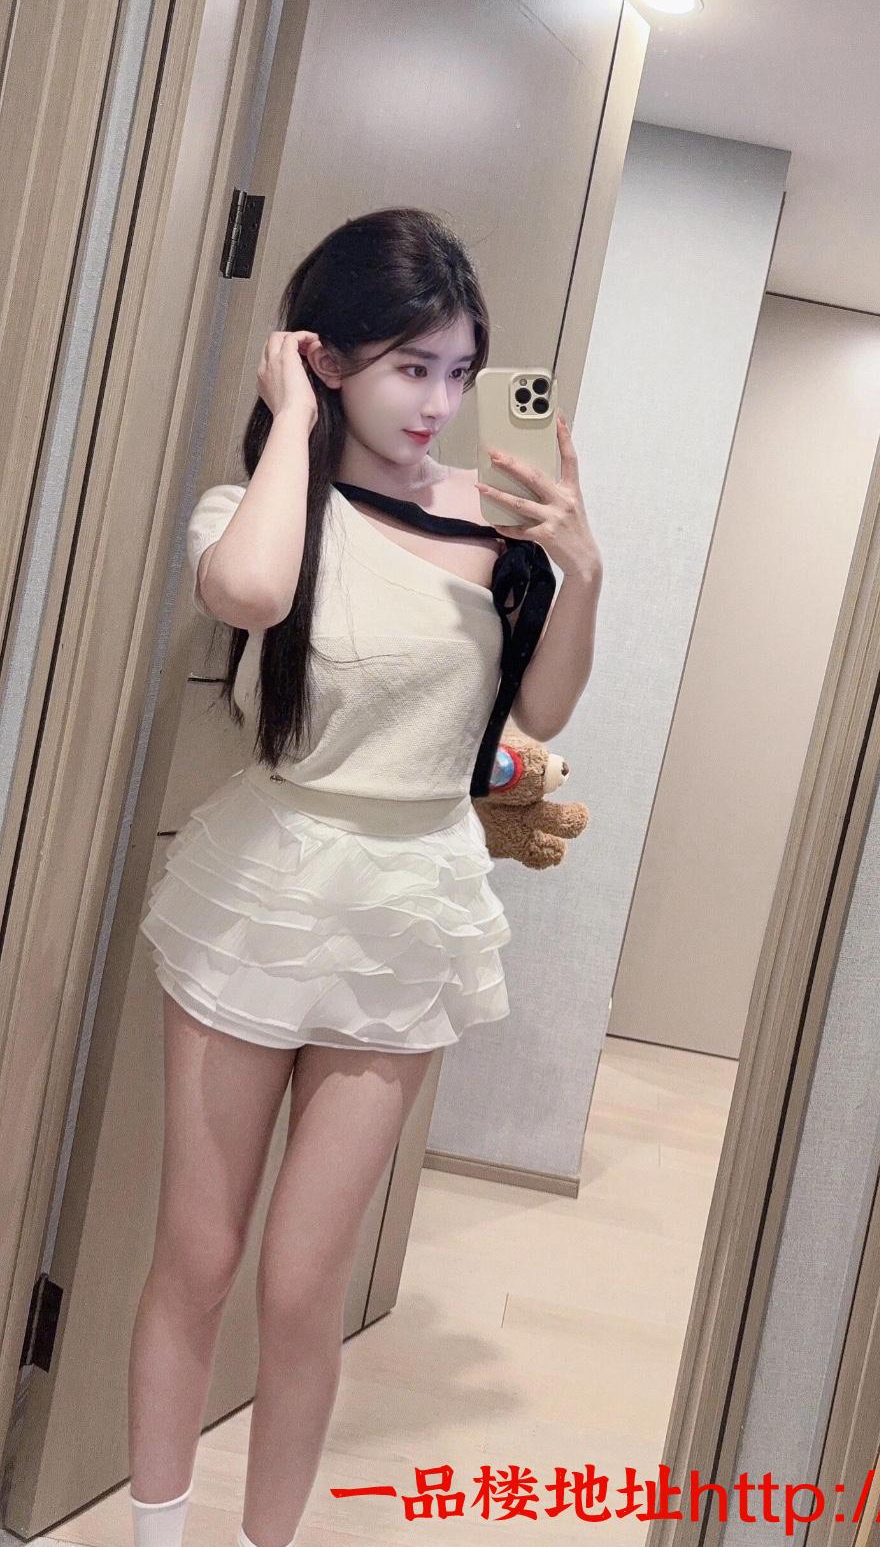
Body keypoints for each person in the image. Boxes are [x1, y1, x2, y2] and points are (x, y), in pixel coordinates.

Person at [128, 206, 603, 1547]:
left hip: (409, 900)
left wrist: (581, 568)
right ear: (329, 357)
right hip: (267, 887)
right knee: (198, 1256)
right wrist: (292, 417)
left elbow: (542, 714)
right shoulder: (254, 506)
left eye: (461, 372)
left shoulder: (493, 522)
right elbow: (250, 596)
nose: (439, 404)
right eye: (410, 368)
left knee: (301, 1287)